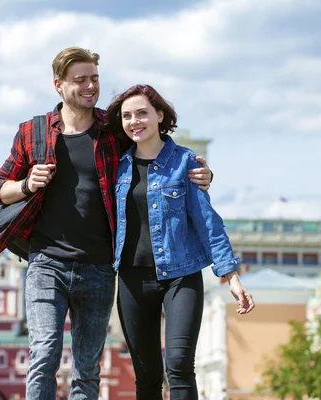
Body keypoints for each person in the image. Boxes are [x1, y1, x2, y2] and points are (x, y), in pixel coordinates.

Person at [0, 47, 212, 400]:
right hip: (47, 262)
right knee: (44, 354)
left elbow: (155, 147)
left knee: (87, 367)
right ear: (58, 85)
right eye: (80, 80)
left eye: (94, 78)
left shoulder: (112, 129)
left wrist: (197, 170)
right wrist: (27, 184)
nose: (90, 86)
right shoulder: (32, 132)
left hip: (100, 266)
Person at [105, 84, 255, 400]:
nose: (135, 121)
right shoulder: (115, 166)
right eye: (127, 116)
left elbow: (207, 222)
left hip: (181, 276)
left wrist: (231, 276)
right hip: (132, 279)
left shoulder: (185, 162)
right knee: (145, 375)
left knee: (179, 365)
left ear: (160, 115)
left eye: (142, 113)